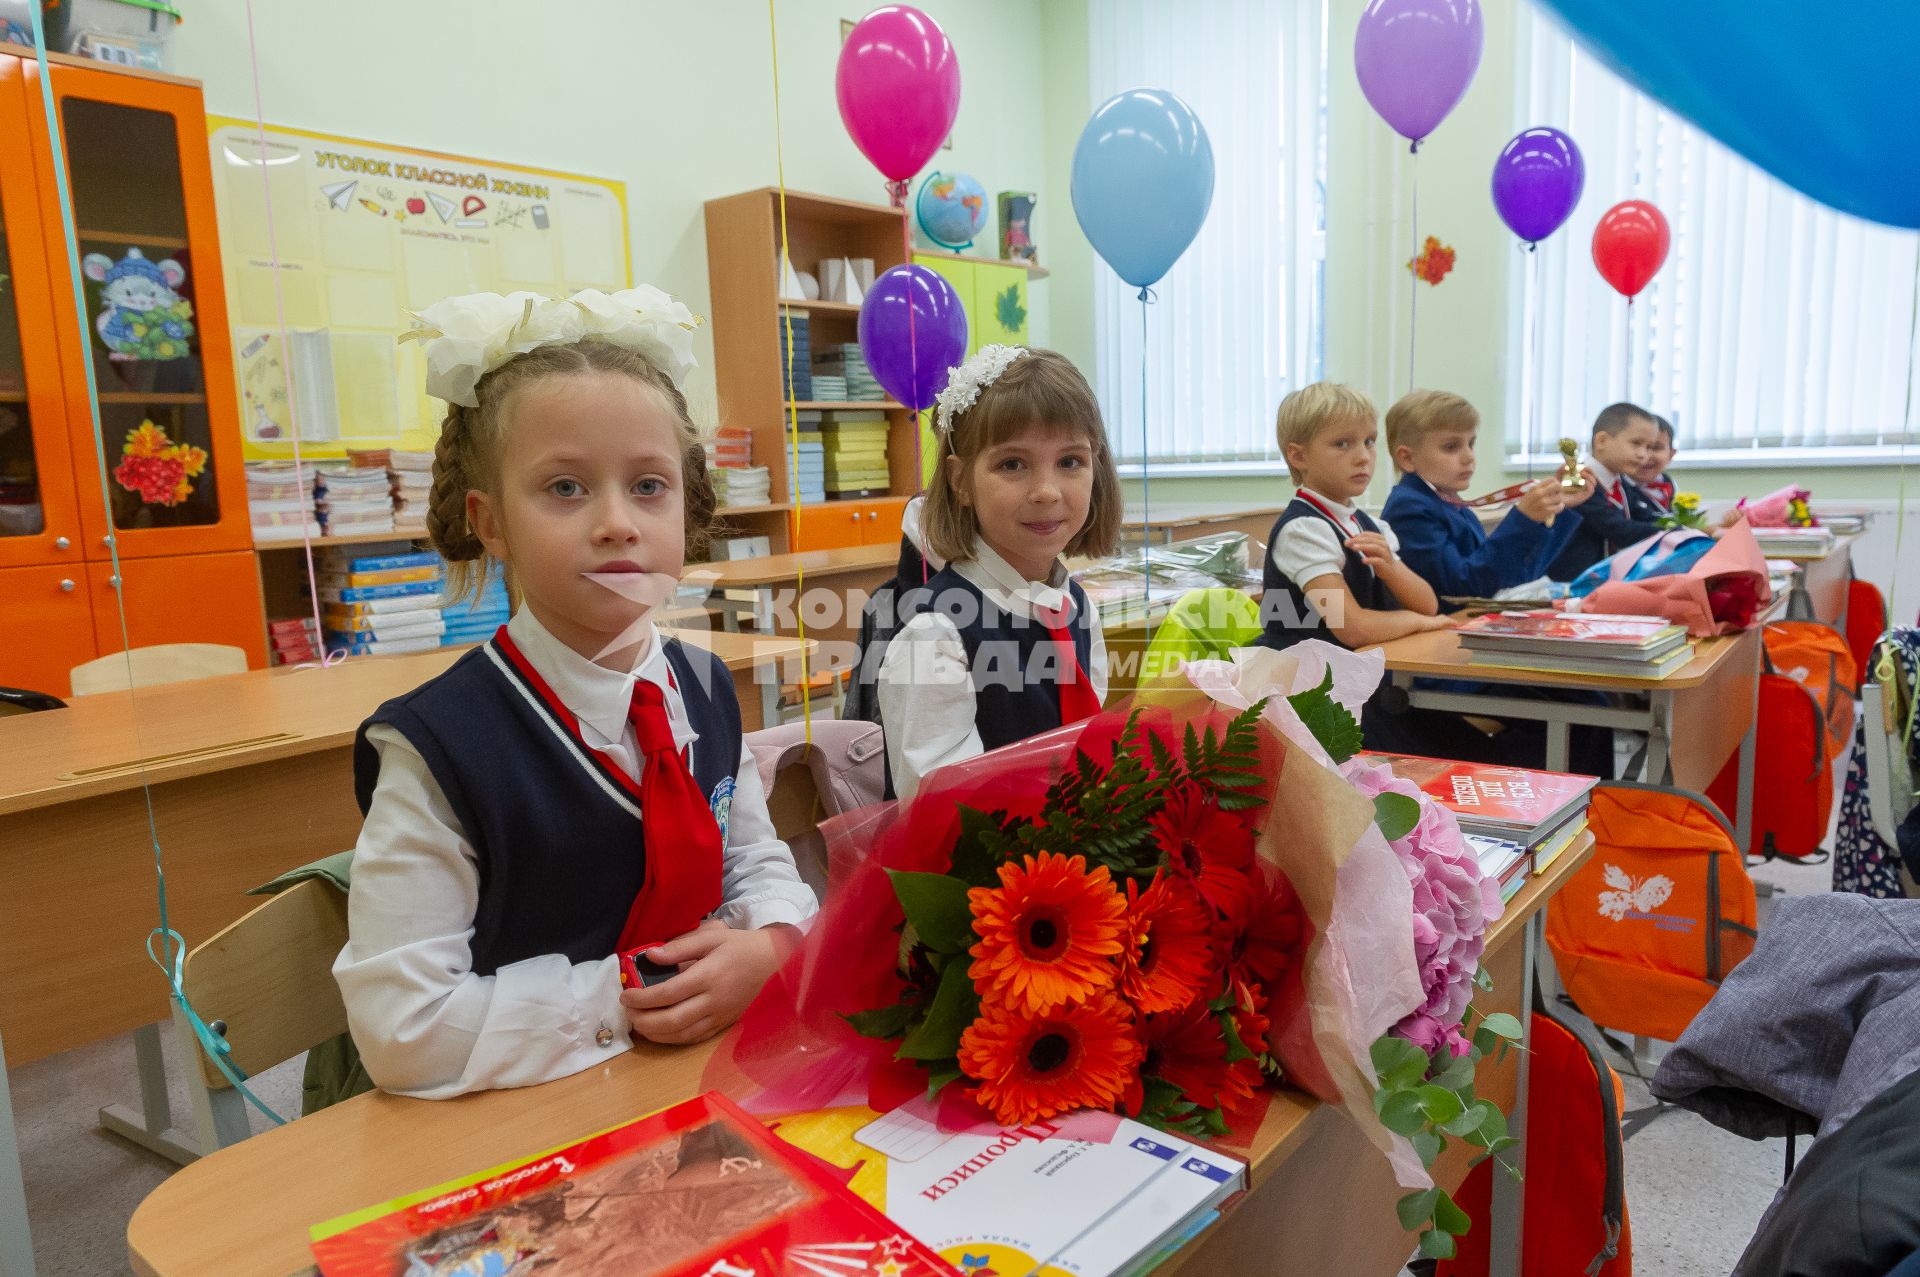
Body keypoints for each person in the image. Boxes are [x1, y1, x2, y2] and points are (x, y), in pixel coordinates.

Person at [336, 288, 817, 1098]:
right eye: (565, 488)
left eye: (649, 487)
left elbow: (753, 856)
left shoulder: (703, 686)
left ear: (688, 509)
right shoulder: (439, 748)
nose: (616, 523)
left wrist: (771, 940)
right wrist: (629, 993)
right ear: (490, 523)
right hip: (523, 1111)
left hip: (702, 1079)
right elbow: (403, 1030)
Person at [877, 345, 1123, 799]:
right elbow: (944, 816)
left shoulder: (1073, 605)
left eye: (1070, 462)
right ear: (959, 481)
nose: (1047, 492)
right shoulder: (936, 634)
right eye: (1013, 464)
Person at [1254, 382, 1452, 652]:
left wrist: (1391, 569)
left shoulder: (1368, 524)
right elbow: (1353, 628)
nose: (1363, 457)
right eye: (1342, 444)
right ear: (1299, 456)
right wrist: (1415, 621)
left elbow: (1428, 605)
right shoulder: (1302, 531)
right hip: (1309, 686)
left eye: (1369, 442)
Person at [1380, 389, 1593, 607]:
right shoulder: (1410, 508)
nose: (1468, 456)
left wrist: (1554, 509)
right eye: (1451, 447)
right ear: (1407, 458)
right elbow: (1462, 590)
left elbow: (1520, 576)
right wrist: (1523, 519)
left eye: (1470, 444)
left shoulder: (1453, 505)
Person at [1547, 402, 1666, 581]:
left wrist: (1687, 527)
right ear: (1602, 441)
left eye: (1649, 447)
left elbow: (1647, 516)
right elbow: (1621, 531)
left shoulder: (1622, 484)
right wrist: (1674, 530)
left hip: (1604, 585)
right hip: (1571, 588)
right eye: (1636, 443)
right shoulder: (1579, 483)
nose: (1644, 454)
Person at [1636, 414, 1677, 512]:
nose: (1646, 455)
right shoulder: (1618, 487)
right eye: (1637, 446)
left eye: (1656, 447)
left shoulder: (1668, 482)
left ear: (1671, 455)